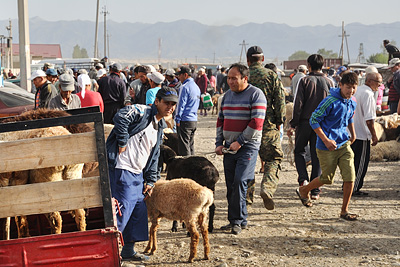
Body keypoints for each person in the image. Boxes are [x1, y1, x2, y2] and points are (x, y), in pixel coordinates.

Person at [106, 87, 178, 261]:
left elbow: (154, 156)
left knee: (137, 212)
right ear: (157, 102)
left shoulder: (159, 125)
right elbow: (120, 117)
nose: (170, 107)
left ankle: (128, 250)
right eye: (166, 103)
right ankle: (110, 254)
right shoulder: (141, 111)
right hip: (123, 169)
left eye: (173, 104)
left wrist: (151, 180)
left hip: (138, 173)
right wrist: (122, 140)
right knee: (121, 213)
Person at [296, 71, 359, 221]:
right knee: (327, 178)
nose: (351, 91)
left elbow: (350, 116)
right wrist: (325, 140)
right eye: (348, 87)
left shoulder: (352, 101)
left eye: (354, 87)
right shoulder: (330, 101)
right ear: (341, 85)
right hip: (326, 146)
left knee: (350, 177)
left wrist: (353, 133)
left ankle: (344, 211)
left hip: (343, 144)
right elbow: (314, 120)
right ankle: (304, 190)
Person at [215, 63, 266, 235]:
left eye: (234, 78)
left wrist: (241, 141)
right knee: (231, 184)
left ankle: (237, 220)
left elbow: (256, 122)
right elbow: (220, 121)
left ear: (245, 78)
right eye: (228, 78)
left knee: (240, 181)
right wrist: (218, 143)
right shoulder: (226, 96)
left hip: (248, 146)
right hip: (229, 147)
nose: (230, 81)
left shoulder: (256, 94)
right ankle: (238, 220)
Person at [288, 54, 333, 200]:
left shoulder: (304, 81)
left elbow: (298, 104)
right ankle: (315, 190)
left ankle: (303, 179)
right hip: (322, 125)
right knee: (317, 154)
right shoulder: (329, 82)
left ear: (309, 65)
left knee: (299, 151)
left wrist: (293, 124)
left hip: (305, 123)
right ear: (323, 64)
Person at [246, 46, 285, 211]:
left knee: (246, 163)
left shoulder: (243, 76)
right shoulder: (271, 76)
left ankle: (246, 201)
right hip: (268, 125)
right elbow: (280, 100)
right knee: (273, 159)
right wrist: (279, 121)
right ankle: (267, 188)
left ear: (248, 61)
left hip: (246, 127)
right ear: (262, 60)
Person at [351, 72, 381, 196]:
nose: (379, 85)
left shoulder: (358, 91)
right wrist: (374, 135)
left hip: (351, 132)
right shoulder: (368, 94)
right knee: (361, 162)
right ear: (369, 81)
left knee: (351, 162)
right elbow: (369, 119)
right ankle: (355, 187)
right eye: (378, 82)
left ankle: (347, 185)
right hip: (362, 134)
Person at [175, 66, 201, 156]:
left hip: (185, 119)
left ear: (185, 75)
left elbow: (181, 104)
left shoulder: (184, 87)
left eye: (180, 75)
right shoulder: (196, 87)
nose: (179, 77)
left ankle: (187, 166)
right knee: (191, 145)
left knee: (184, 146)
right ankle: (192, 165)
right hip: (193, 119)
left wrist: (177, 119)